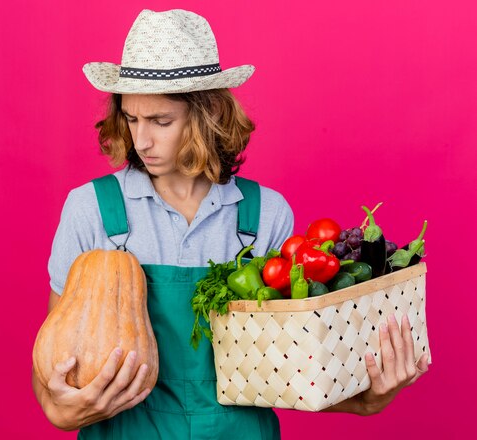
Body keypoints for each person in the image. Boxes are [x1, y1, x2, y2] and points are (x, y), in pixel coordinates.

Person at [32, 9, 429, 438]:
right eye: (131, 119)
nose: (141, 140)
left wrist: (365, 400)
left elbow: (286, 372)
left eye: (161, 121)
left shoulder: (265, 216)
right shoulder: (90, 209)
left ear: (208, 116)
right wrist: (60, 409)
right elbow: (55, 365)